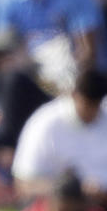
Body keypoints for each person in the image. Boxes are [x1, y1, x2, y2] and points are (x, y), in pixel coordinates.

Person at [11, 68, 107, 200]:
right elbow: (24, 184)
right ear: (74, 95)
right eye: (87, 104)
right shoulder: (45, 122)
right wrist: (72, 189)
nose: (92, 111)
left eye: (96, 105)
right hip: (60, 207)